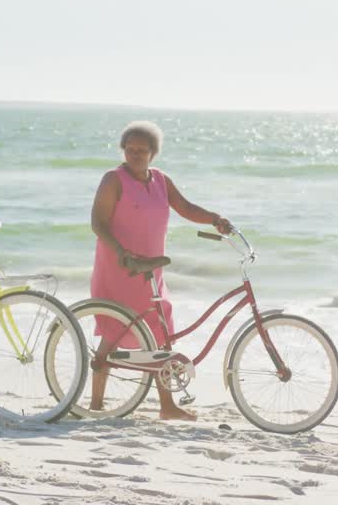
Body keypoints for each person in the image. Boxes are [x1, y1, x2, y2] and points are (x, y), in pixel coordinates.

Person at [89, 121, 233, 421]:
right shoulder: (113, 180)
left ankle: (167, 406)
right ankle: (95, 403)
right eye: (130, 150)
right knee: (115, 330)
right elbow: (98, 223)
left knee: (159, 333)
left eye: (143, 150)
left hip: (151, 269)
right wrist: (120, 252)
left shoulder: (160, 181)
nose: (136, 155)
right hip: (120, 266)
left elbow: (186, 207)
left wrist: (214, 219)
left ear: (154, 153)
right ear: (123, 150)